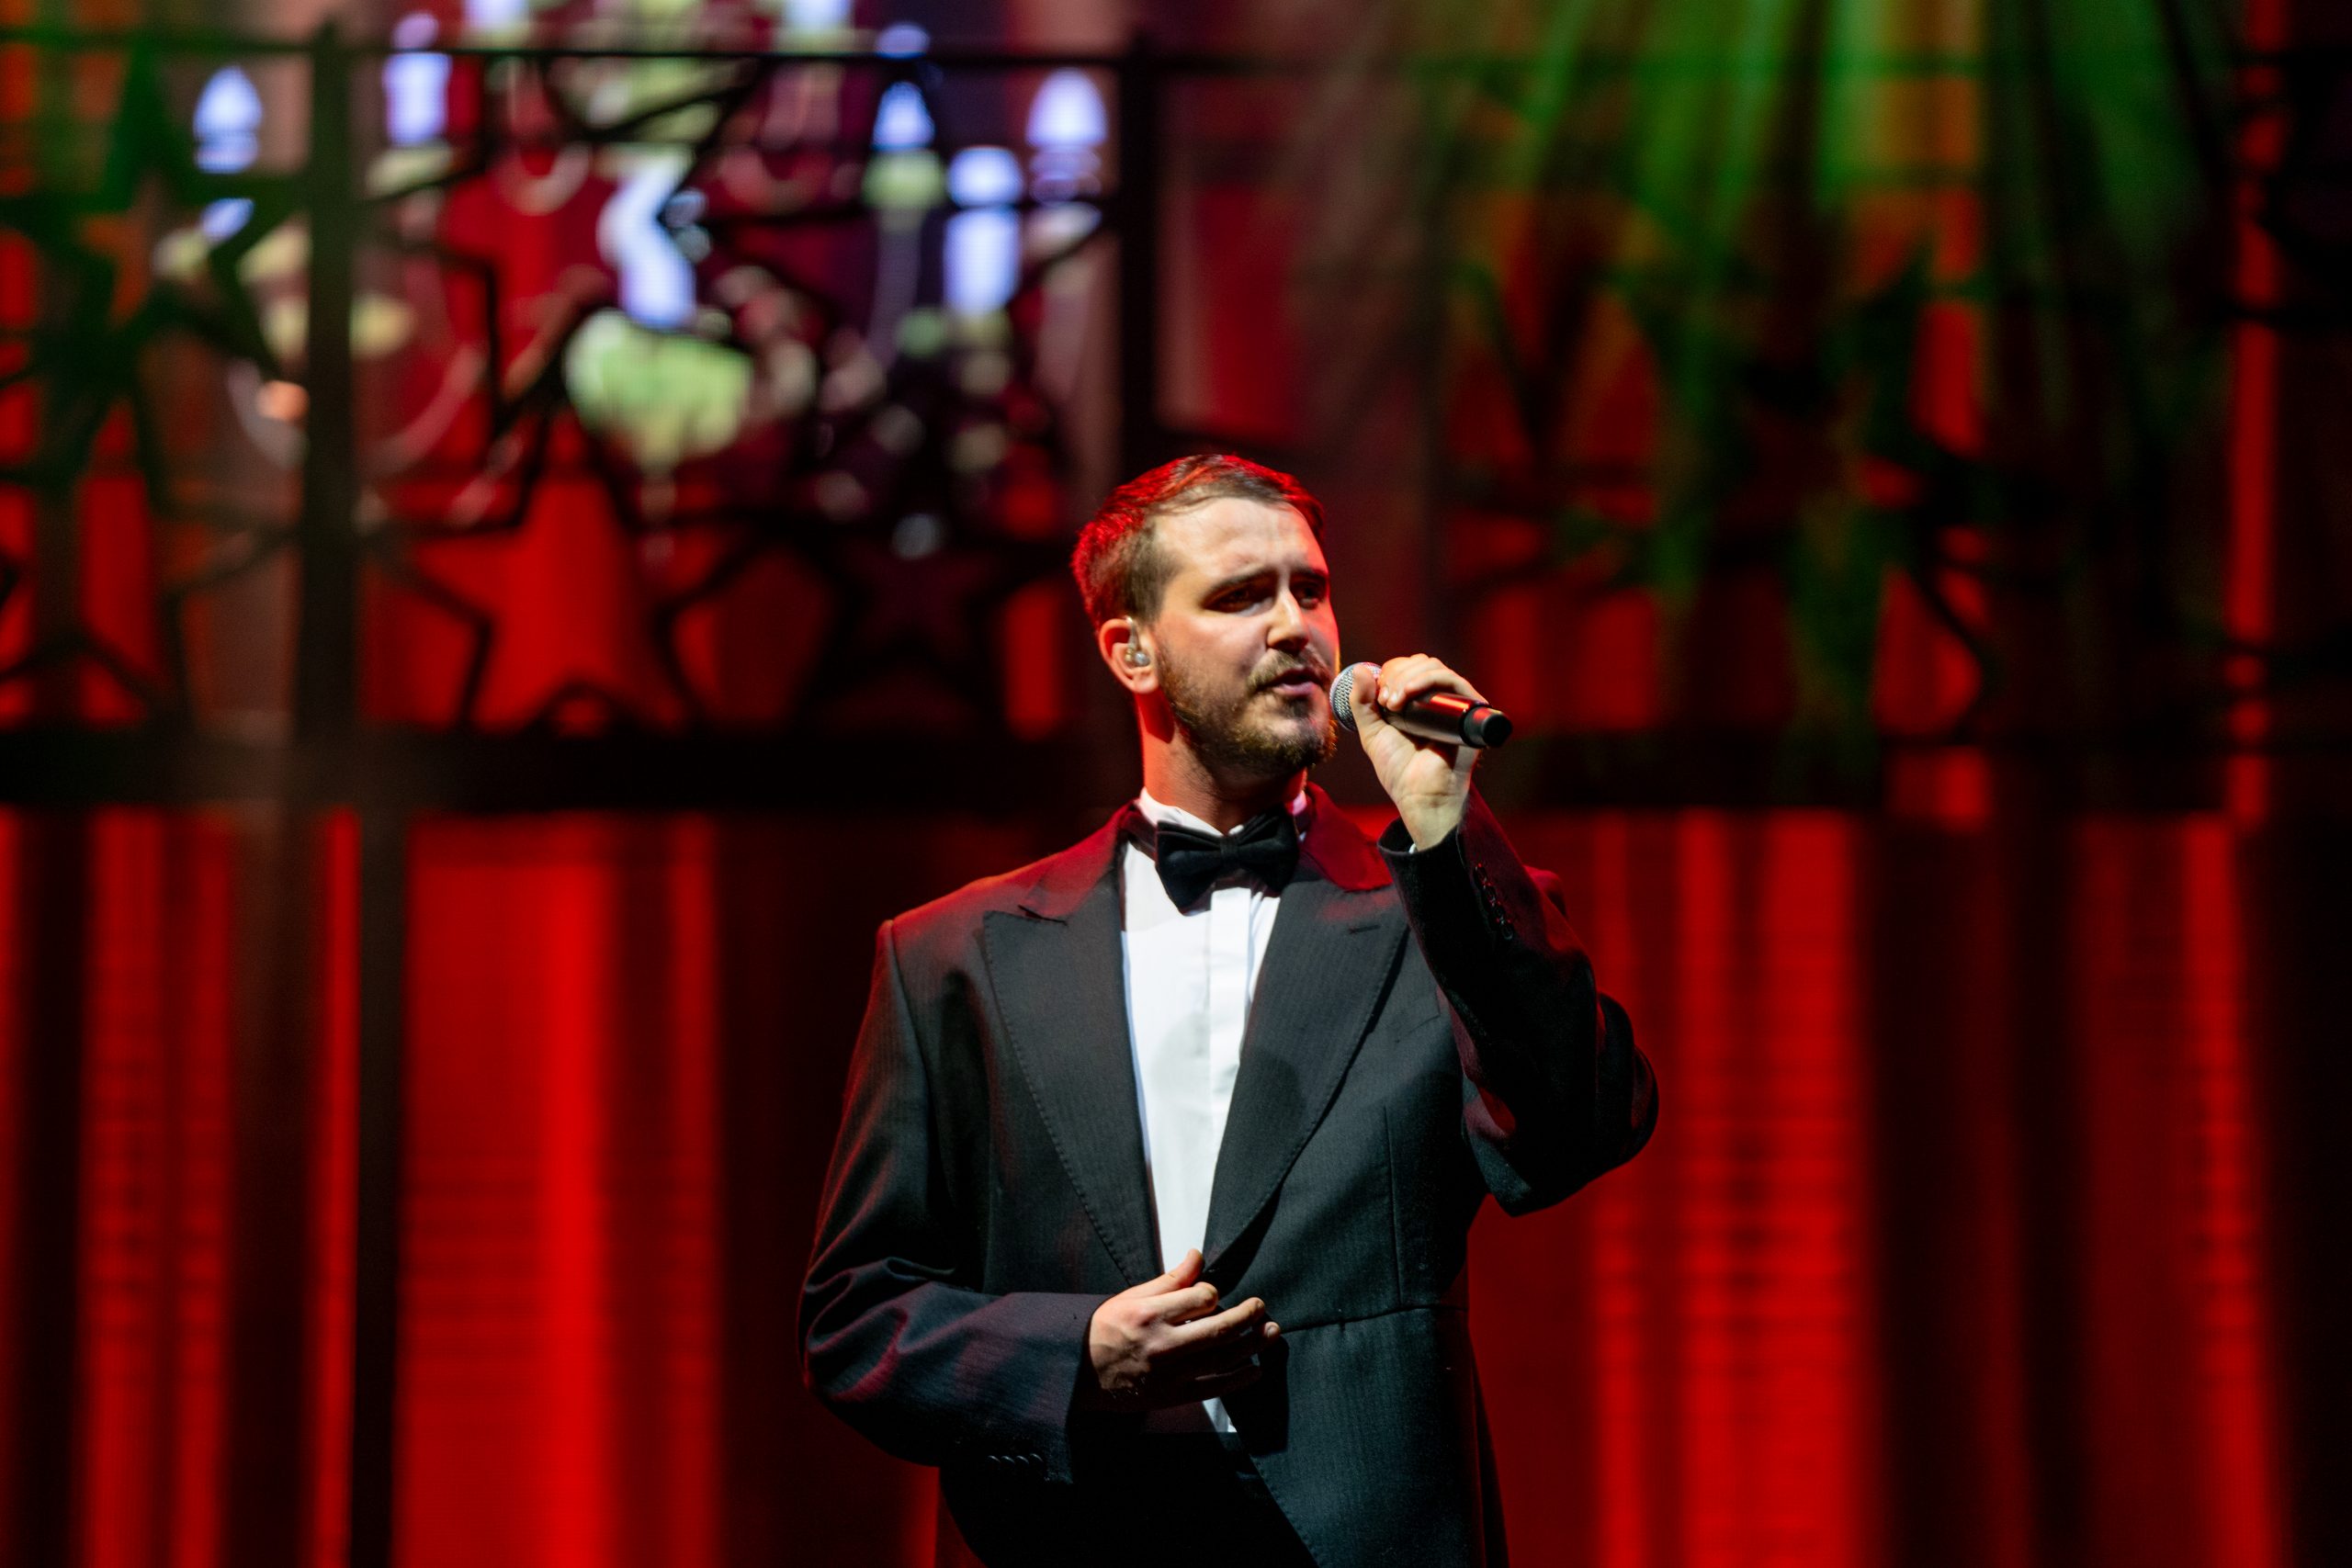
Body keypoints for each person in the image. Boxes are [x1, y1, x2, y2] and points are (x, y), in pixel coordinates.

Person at [800, 455, 1657, 1567]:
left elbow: (1576, 1133)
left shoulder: (1440, 916)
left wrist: (1445, 828)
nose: (1297, 626)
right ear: (1132, 650)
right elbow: (858, 1319)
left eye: (1311, 588)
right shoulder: (955, 955)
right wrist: (1075, 1353)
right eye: (1242, 596)